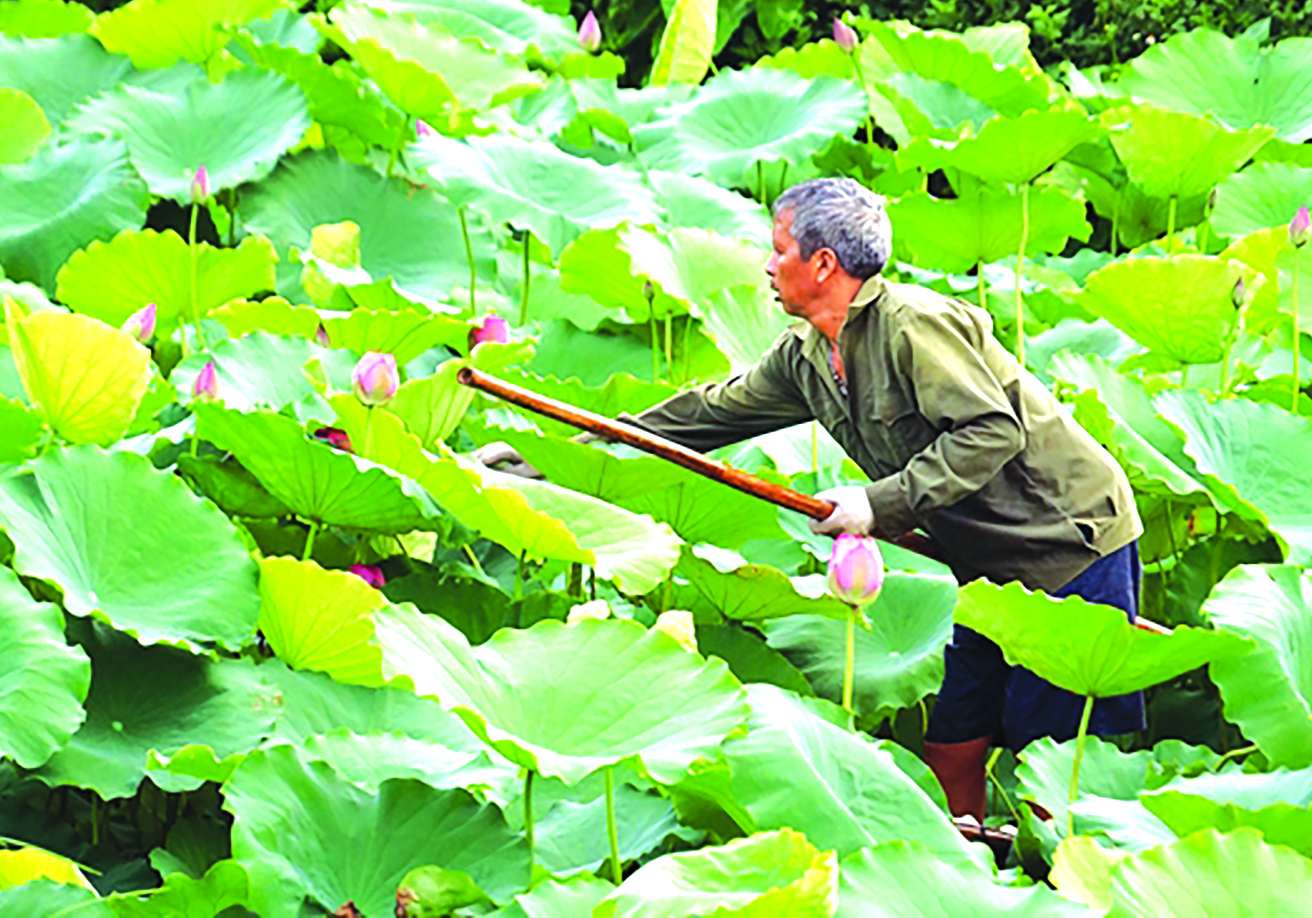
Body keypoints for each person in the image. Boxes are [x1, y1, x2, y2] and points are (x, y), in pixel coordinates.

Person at [479, 177, 1145, 822]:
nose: (767, 266)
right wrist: (535, 460)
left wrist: (877, 504)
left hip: (1068, 544)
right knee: (954, 737)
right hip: (987, 567)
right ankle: (963, 869)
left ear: (823, 264)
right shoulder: (806, 355)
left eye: (778, 250)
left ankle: (1058, 883)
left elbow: (993, 430)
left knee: (1050, 757)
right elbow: (698, 417)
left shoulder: (915, 326)